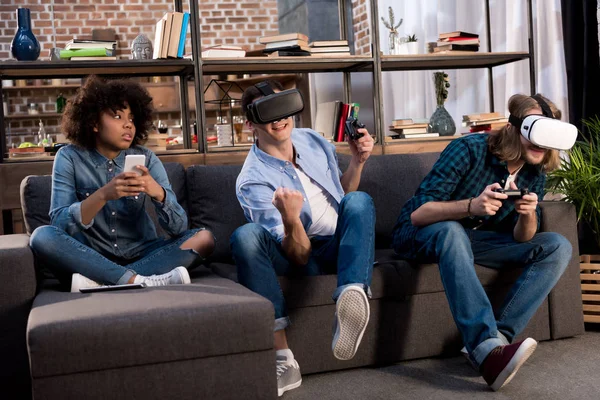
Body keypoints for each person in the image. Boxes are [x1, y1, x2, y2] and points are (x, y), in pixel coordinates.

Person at [392, 93, 572, 391]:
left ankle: (495, 343)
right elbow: (418, 215)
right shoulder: (469, 149)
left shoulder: (534, 169)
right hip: (425, 234)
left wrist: (527, 214)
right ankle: (485, 348)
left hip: (478, 240)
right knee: (452, 230)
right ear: (515, 128)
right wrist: (471, 206)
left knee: (557, 245)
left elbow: (522, 237)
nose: (540, 145)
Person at [230, 80, 376, 396]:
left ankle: (351, 297)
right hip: (301, 254)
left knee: (360, 200)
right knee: (245, 236)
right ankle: (282, 357)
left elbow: (344, 194)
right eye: (267, 113)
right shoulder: (252, 180)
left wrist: (357, 161)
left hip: (341, 245)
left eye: (282, 107)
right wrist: (290, 218)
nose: (279, 119)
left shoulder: (311, 140)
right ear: (250, 124)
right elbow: (299, 255)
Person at [29, 76, 215, 292]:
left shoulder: (146, 158)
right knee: (42, 236)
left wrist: (159, 194)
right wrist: (103, 195)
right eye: (117, 116)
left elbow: (179, 228)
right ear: (93, 123)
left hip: (143, 253)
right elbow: (59, 224)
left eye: (132, 118)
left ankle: (104, 282)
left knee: (204, 238)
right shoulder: (69, 157)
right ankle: (137, 281)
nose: (128, 124)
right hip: (90, 256)